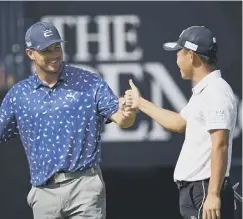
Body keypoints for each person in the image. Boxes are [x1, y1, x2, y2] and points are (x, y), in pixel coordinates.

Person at [0, 21, 137, 219]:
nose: (55, 55)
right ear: (30, 53)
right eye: (46, 50)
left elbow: (123, 120)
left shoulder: (89, 82)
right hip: (44, 192)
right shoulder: (19, 94)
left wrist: (129, 112)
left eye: (57, 48)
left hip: (84, 186)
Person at [124, 26, 237, 219]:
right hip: (196, 191)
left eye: (178, 52)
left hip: (204, 189)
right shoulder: (205, 91)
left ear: (191, 56)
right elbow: (178, 123)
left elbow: (220, 145)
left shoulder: (216, 92)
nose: (176, 59)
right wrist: (140, 102)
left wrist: (213, 195)